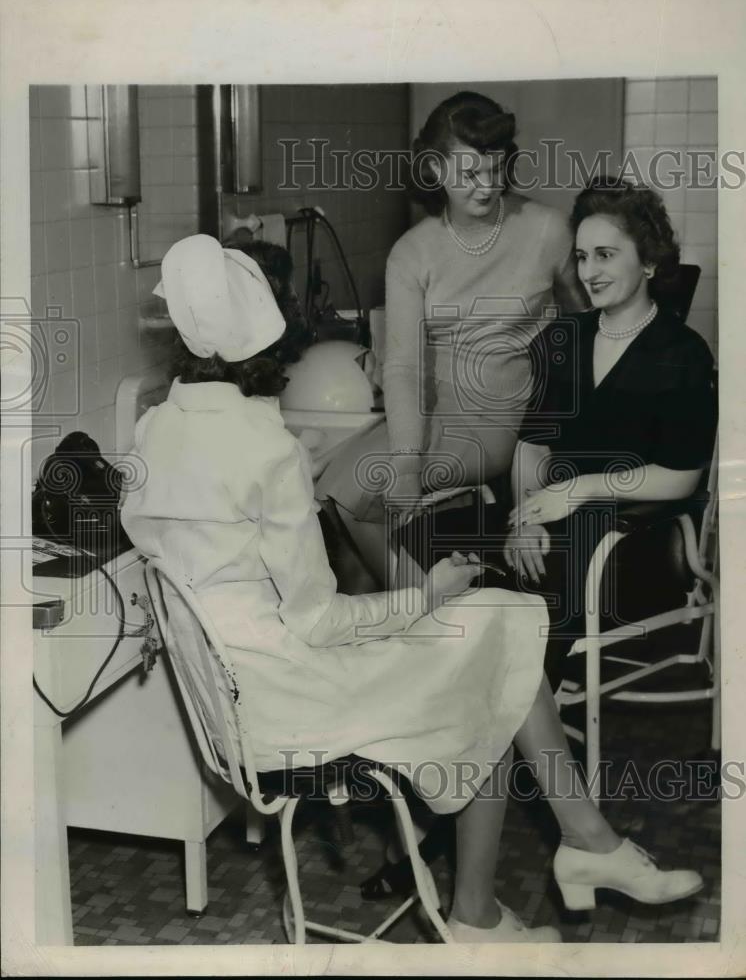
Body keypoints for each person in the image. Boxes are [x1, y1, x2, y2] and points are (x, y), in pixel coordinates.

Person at [122, 234, 703, 944]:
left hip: (232, 701)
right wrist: (424, 595)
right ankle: (500, 900)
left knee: (500, 618)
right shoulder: (263, 447)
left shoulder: (150, 434)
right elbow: (318, 620)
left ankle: (577, 848)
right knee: (497, 651)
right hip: (293, 699)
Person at [398, 177, 718, 691]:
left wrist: (577, 489)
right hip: (547, 512)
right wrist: (526, 515)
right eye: (583, 256)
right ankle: (441, 687)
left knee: (545, 580)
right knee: (418, 536)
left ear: (651, 262)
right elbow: (532, 443)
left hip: (632, 533)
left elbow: (681, 477)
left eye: (606, 255)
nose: (589, 272)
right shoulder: (563, 339)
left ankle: (520, 734)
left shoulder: (681, 353)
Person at [315, 91, 587, 587]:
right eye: (469, 174)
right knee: (331, 493)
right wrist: (405, 465)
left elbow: (585, 330)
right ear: (435, 170)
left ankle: (421, 621)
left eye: (496, 169)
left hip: (505, 419)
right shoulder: (411, 254)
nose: (487, 186)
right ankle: (421, 615)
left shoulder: (547, 229)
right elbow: (403, 367)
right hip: (433, 412)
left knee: (352, 490)